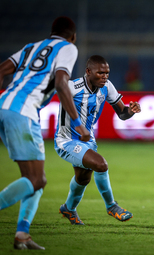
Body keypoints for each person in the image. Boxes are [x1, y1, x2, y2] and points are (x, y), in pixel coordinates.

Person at [0, 16, 90, 250]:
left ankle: (22, 234)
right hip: (23, 112)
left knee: (34, 180)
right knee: (37, 179)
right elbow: (61, 82)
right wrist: (77, 123)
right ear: (73, 35)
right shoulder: (68, 48)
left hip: (5, 106)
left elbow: (1, 70)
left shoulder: (32, 47)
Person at [55, 55, 141, 225]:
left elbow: (122, 114)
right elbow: (59, 90)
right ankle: (111, 206)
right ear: (88, 72)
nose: (104, 76)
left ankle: (68, 209)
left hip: (88, 141)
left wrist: (130, 111)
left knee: (83, 179)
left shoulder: (106, 87)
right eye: (100, 73)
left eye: (107, 73)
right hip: (66, 140)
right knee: (101, 164)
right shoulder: (73, 87)